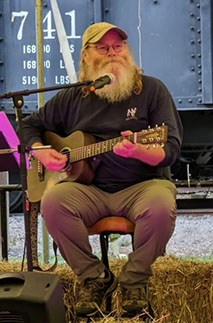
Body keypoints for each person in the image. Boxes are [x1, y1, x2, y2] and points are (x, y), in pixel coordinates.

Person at [22, 22, 183, 316]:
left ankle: (135, 281)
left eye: (118, 46)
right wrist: (42, 151)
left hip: (142, 186)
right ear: (86, 55)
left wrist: (140, 150)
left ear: (127, 51)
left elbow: (170, 149)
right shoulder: (74, 97)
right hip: (88, 190)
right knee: (53, 202)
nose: (112, 53)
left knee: (161, 204)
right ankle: (94, 278)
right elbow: (29, 125)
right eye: (103, 47)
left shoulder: (152, 90)